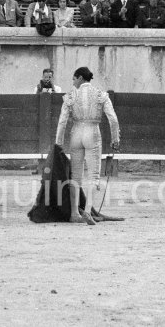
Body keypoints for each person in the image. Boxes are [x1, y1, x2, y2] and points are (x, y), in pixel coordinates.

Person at [55, 67, 120, 225]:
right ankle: (88, 210)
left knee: (76, 176)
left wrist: (58, 143)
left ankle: (74, 213)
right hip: (92, 133)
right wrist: (115, 139)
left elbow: (62, 121)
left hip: (76, 133)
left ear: (80, 78)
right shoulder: (100, 94)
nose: (73, 82)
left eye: (74, 79)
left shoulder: (71, 96)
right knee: (93, 176)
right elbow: (113, 119)